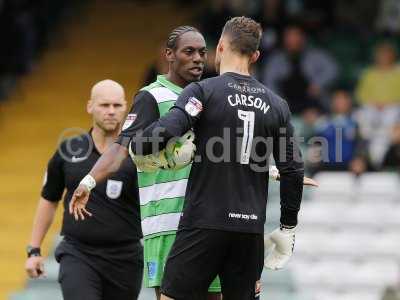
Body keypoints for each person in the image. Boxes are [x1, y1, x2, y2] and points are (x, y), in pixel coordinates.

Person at [112, 16, 304, 299]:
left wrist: (139, 149)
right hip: (249, 229)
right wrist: (287, 228)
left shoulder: (203, 91)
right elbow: (293, 170)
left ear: (221, 48)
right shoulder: (277, 105)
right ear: (256, 55)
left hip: (203, 224)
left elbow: (167, 130)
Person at [69, 26, 223, 299]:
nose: (198, 58)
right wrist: (89, 181)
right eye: (189, 52)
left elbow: (223, 157)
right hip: (166, 224)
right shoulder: (151, 96)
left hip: (207, 223)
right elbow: (121, 148)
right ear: (169, 55)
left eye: (202, 52)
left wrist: (273, 172)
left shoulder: (209, 97)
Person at [24, 80, 143, 300]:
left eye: (117, 106)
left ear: (126, 107)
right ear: (90, 106)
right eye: (104, 105)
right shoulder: (68, 150)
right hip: (78, 254)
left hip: (126, 258)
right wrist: (34, 249)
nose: (111, 112)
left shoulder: (139, 153)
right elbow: (49, 199)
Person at [262, 24, 338, 115]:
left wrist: (318, 84)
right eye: (289, 36)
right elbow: (268, 83)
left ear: (303, 38)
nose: (293, 40)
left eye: (296, 35)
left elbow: (333, 70)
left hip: (313, 103)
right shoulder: (276, 59)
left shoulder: (316, 55)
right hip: (285, 104)